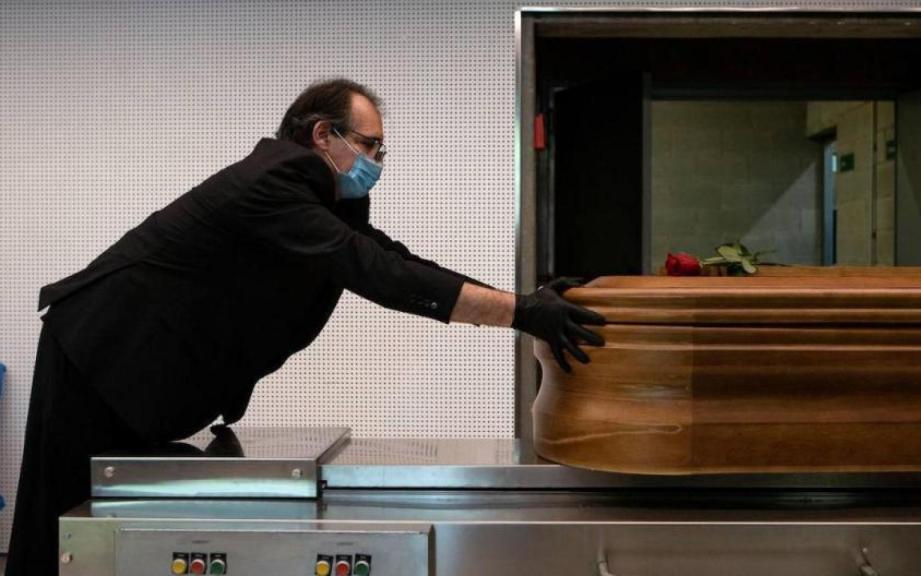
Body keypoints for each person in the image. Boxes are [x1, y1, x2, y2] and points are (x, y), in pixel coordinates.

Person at [5, 77, 605, 576]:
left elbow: (395, 261)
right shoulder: (277, 182)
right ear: (323, 135)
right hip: (98, 355)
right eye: (370, 147)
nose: (375, 164)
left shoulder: (317, 201)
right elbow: (376, 274)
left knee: (99, 531)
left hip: (129, 374)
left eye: (380, 153)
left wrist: (521, 302)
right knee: (58, 534)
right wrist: (524, 315)